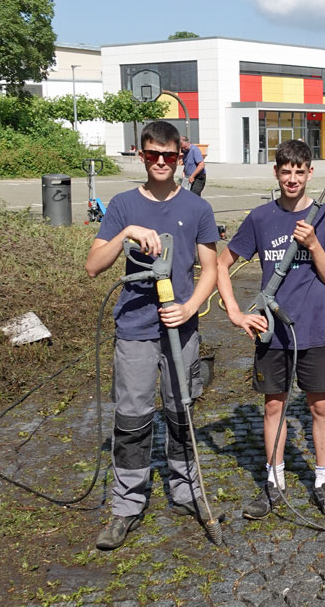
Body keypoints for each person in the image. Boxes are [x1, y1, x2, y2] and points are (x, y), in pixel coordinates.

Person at [85, 120, 219, 550]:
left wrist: (190, 307)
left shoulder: (197, 208)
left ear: (181, 157)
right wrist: (125, 232)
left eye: (169, 155)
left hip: (182, 331)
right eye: (152, 154)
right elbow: (93, 265)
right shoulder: (123, 205)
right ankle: (127, 504)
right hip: (135, 330)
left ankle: (186, 490)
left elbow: (211, 270)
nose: (161, 162)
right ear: (141, 156)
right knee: (132, 418)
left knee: (181, 412)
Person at [214, 139, 325, 521]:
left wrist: (314, 244)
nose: (292, 178)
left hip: (315, 329)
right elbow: (222, 264)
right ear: (276, 172)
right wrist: (236, 313)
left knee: (320, 406)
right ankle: (275, 483)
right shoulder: (260, 218)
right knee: (274, 406)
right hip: (272, 331)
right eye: (285, 171)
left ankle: (322, 482)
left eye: (299, 171)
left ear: (310, 173)